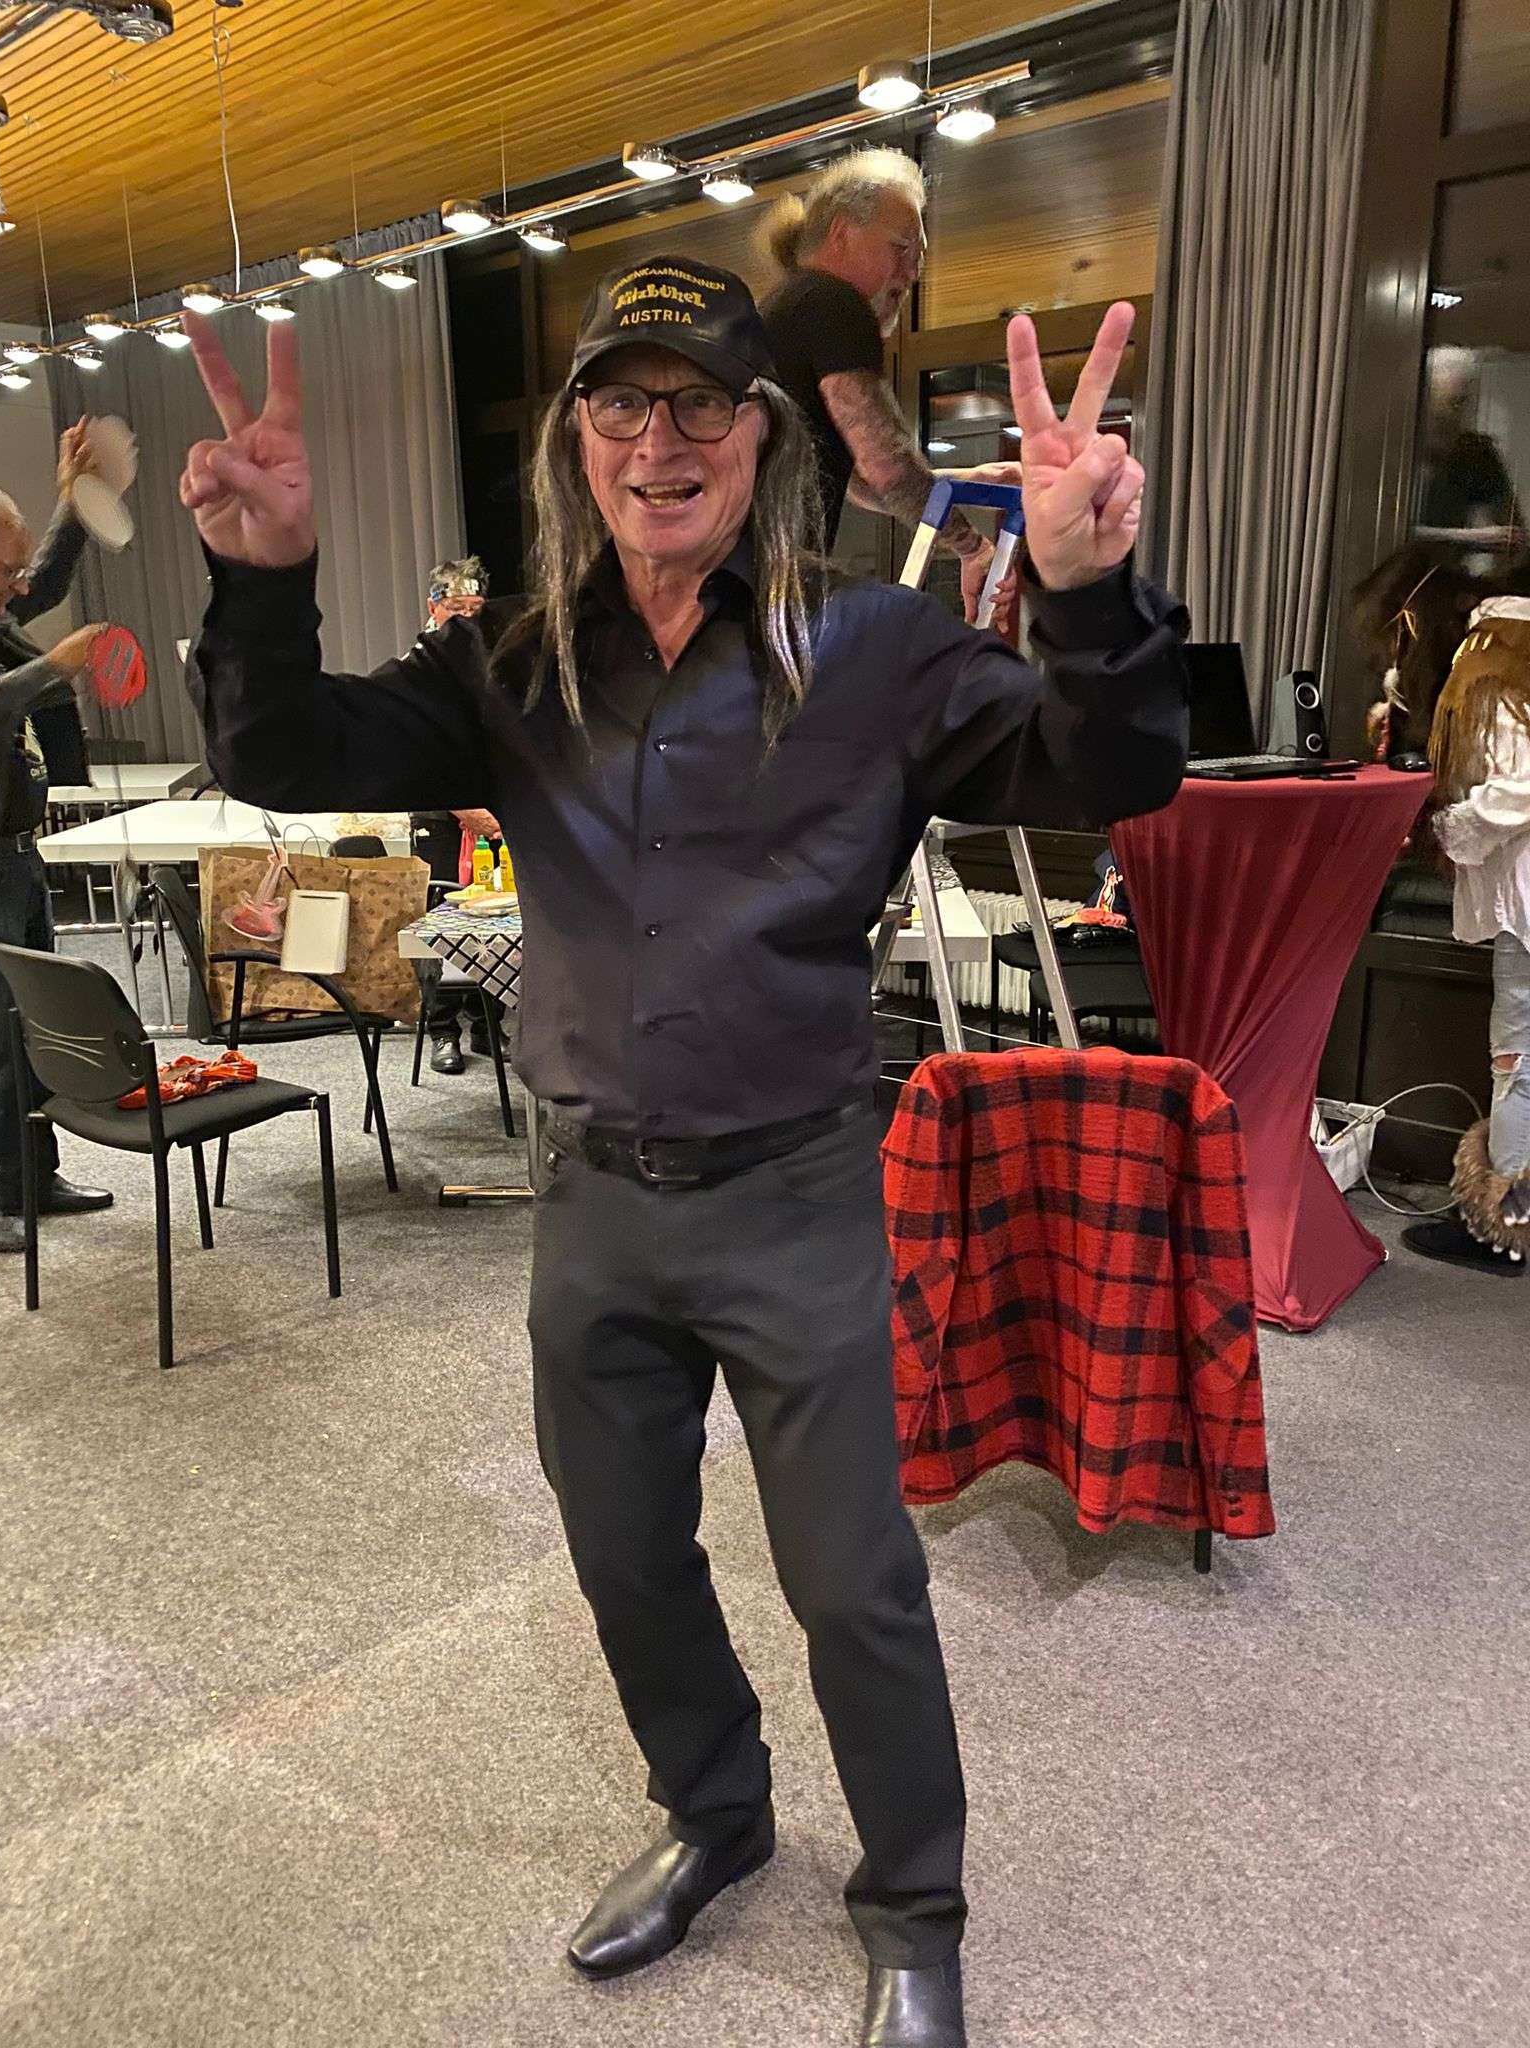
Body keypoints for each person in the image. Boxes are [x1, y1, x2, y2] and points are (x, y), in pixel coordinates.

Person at [179, 256, 1186, 2048]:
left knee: (853, 1584)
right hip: (591, 1208)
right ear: (578, 439)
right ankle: (716, 1813)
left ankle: (915, 1905)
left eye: (701, 402)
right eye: (622, 403)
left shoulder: (871, 649)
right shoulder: (513, 659)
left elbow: (1105, 775)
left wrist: (1087, 596)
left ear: (762, 435)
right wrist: (263, 580)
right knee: (626, 1554)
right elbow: (286, 750)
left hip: (796, 1196)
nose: (661, 441)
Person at [759, 149, 1014, 624]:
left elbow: (859, 480)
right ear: (842, 233)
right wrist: (972, 548)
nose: (912, 273)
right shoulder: (833, 302)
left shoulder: (787, 306)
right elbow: (887, 468)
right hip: (768, 590)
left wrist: (969, 481)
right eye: (901, 249)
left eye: (917, 257)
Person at [0, 428, 115, 1255]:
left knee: (33, 1025)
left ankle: (33, 1178)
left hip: (14, 855)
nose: (19, 585)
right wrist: (55, 668)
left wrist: (73, 498)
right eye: (4, 569)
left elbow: (44, 575)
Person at [1404, 569, 1530, 1272]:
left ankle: (1502, 1228)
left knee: (1518, 1063)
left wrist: (1450, 829)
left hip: (1527, 904)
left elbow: (1520, 786)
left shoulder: (1494, 670)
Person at [410, 554, 507, 1073]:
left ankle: (488, 1026)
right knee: (443, 918)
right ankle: (443, 1030)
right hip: (440, 813)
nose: (467, 617)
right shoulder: (418, 666)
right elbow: (416, 754)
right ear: (434, 608)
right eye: (456, 608)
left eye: (475, 608)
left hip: (493, 810)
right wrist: (467, 810)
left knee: (495, 915)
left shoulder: (495, 657)